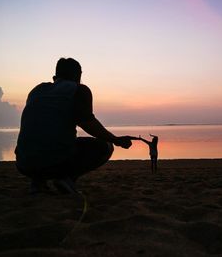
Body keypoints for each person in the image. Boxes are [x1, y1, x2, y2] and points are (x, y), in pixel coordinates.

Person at [15, 58, 133, 194]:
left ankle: (38, 182)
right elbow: (88, 123)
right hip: (52, 162)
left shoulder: (37, 90)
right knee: (105, 147)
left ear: (55, 77)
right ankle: (66, 179)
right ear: (79, 76)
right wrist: (116, 140)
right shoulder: (79, 90)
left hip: (23, 162)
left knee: (47, 141)